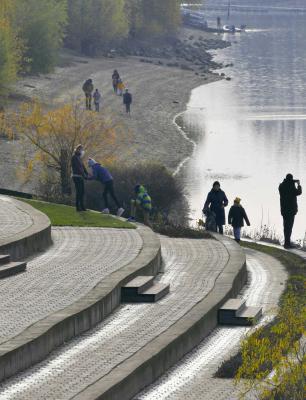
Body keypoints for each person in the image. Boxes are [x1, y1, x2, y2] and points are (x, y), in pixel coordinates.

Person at [278, 173, 302, 249]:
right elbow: (299, 192)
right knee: (289, 227)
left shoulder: (281, 186)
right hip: (291, 211)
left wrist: (291, 182)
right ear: (291, 179)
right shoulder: (291, 186)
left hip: (284, 210)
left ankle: (286, 243)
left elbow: (285, 183)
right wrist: (298, 185)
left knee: (285, 227)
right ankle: (287, 244)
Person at [71, 144, 88, 211]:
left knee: (82, 191)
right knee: (79, 191)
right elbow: (78, 168)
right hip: (76, 176)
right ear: (77, 150)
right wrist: (84, 175)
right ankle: (78, 207)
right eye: (80, 149)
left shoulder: (79, 158)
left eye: (82, 150)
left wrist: (87, 174)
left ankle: (82, 206)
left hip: (80, 177)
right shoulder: (74, 157)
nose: (81, 151)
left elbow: (83, 167)